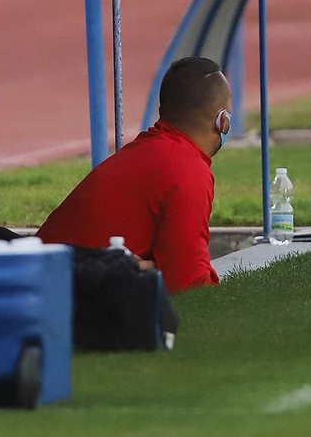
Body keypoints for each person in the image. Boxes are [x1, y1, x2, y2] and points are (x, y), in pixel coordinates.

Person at [36, 57, 227, 294]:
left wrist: (158, 267)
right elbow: (189, 283)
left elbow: (178, 269)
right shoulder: (188, 170)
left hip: (44, 276)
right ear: (222, 121)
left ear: (163, 111)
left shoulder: (149, 150)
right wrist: (162, 269)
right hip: (59, 291)